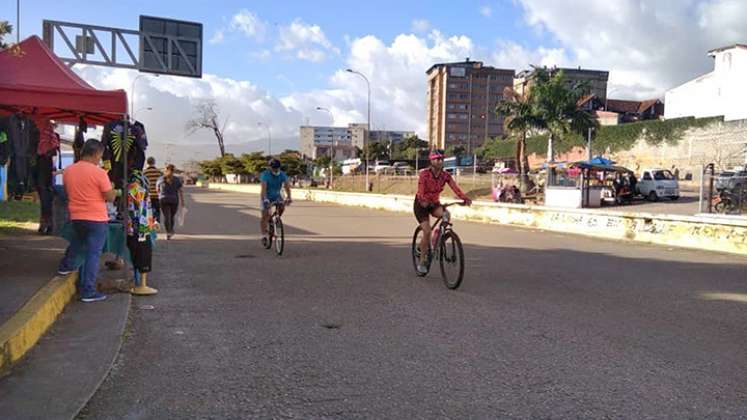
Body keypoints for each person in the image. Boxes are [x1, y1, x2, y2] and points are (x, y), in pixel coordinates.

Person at [57, 139, 117, 303]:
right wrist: (111, 188)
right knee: (93, 254)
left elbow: (68, 191)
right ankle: (88, 291)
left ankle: (65, 266)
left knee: (77, 241)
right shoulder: (99, 173)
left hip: (76, 215)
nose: (100, 158)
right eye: (100, 155)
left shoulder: (69, 171)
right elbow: (110, 197)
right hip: (96, 218)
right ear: (97, 153)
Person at [413, 149, 472, 274]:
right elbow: (421, 190)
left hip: (434, 204)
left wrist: (465, 198)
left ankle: (435, 242)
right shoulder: (424, 174)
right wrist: (424, 201)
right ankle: (422, 261)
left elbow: (456, 188)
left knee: (446, 215)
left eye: (441, 159)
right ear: (431, 160)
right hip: (421, 205)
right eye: (437, 159)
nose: (440, 161)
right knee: (427, 231)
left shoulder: (445, 176)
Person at [260, 158, 292, 246]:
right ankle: (263, 235)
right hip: (266, 196)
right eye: (274, 168)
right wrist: (265, 200)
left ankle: (276, 219)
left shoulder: (282, 175)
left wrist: (289, 197)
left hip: (277, 195)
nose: (276, 170)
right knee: (265, 215)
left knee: (282, 207)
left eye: (277, 168)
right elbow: (263, 189)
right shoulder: (265, 175)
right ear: (270, 168)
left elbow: (287, 187)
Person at [157, 164, 184, 240]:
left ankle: (168, 232)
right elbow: (180, 191)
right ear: (173, 170)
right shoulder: (177, 179)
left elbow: (157, 190)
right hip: (174, 200)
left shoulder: (160, 179)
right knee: (171, 216)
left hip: (163, 200)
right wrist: (183, 202)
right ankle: (171, 230)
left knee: (166, 216)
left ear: (165, 170)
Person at [143, 157, 163, 223]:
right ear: (154, 162)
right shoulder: (159, 172)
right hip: (157, 195)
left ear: (147, 162)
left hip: (148, 195)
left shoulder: (144, 173)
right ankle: (157, 223)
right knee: (157, 210)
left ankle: (150, 224)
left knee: (148, 211)